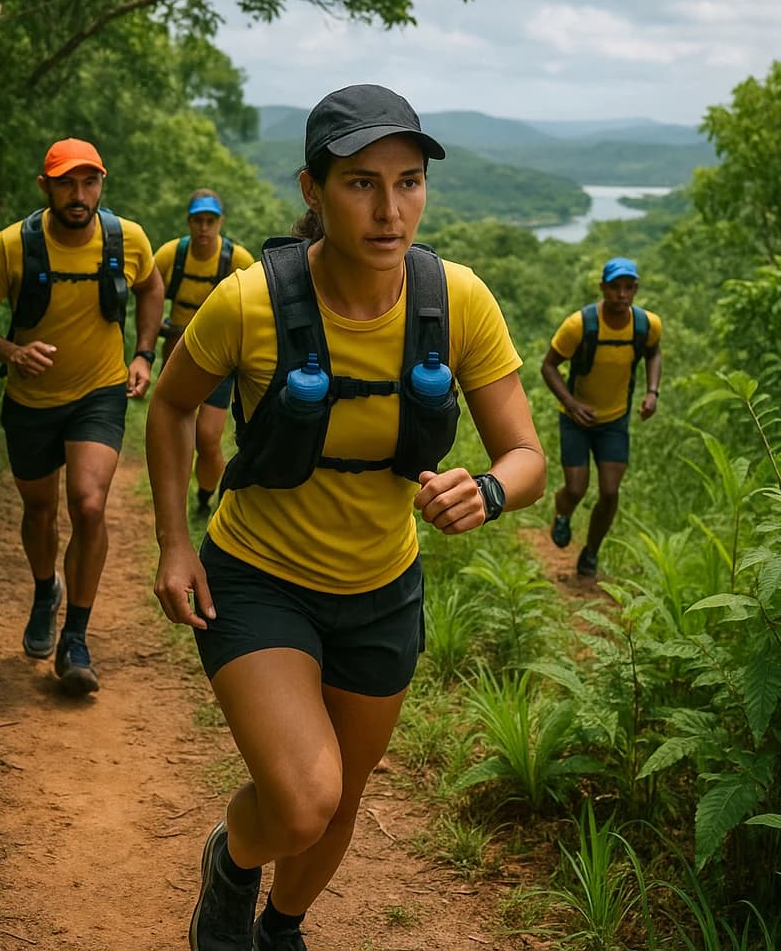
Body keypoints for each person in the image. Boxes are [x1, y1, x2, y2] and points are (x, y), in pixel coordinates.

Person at [145, 84, 545, 951]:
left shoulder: (457, 301)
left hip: (382, 589)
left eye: (408, 182)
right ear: (312, 190)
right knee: (302, 797)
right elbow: (174, 406)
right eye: (362, 183)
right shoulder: (251, 301)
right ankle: (232, 858)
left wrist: (487, 490)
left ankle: (282, 929)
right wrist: (175, 540)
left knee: (344, 796)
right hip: (256, 575)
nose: (389, 208)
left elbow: (527, 456)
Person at [0, 137, 163, 695]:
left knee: (89, 503)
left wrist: (143, 353)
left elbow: (150, 289)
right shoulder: (12, 247)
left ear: (101, 184)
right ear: (45, 186)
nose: (80, 194)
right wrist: (11, 352)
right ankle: (45, 588)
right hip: (30, 403)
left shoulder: (127, 240)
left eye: (89, 181)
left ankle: (76, 637)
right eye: (67, 183)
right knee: (40, 510)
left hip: (98, 394)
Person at [540, 256, 662, 578]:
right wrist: (572, 403)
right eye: (615, 287)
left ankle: (591, 553)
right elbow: (548, 366)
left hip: (615, 421)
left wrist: (652, 392)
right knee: (576, 489)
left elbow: (653, 352)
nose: (622, 294)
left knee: (610, 492)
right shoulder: (579, 325)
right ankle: (562, 514)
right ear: (603, 288)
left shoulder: (646, 325)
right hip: (576, 419)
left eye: (629, 288)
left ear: (635, 290)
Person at [154, 190, 255, 517]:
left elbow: (255, 305)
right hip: (176, 351)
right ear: (189, 222)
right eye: (198, 221)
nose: (203, 228)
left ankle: (204, 498)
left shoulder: (237, 260)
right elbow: (150, 293)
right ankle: (172, 498)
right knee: (172, 426)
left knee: (207, 437)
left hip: (219, 360)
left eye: (210, 221)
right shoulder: (171, 255)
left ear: (219, 222)